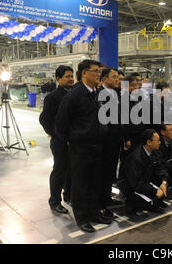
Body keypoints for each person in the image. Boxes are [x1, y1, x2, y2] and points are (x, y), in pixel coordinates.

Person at [55, 59, 110, 233]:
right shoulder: (74, 95)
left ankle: (94, 213)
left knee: (94, 181)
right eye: (95, 71)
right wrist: (70, 139)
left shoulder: (95, 93)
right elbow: (61, 123)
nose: (98, 75)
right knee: (80, 184)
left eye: (99, 71)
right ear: (84, 73)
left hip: (96, 145)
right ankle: (82, 218)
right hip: (80, 147)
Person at [39, 65, 74, 215]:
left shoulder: (74, 94)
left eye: (72, 76)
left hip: (72, 140)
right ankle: (54, 201)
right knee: (59, 171)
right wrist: (55, 134)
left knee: (70, 170)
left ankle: (68, 195)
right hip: (60, 141)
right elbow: (44, 119)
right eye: (67, 76)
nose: (71, 79)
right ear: (58, 79)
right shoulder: (53, 97)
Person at [118, 129, 169, 214]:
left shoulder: (154, 152)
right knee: (150, 204)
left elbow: (161, 169)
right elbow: (136, 183)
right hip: (131, 187)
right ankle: (131, 203)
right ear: (149, 142)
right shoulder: (135, 158)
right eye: (158, 141)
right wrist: (155, 191)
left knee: (162, 191)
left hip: (145, 181)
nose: (160, 143)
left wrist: (164, 182)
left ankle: (152, 201)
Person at [96, 67, 122, 220]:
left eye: (118, 77)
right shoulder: (99, 95)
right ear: (104, 79)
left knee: (111, 171)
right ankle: (100, 203)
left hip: (115, 139)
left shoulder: (117, 93)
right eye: (114, 77)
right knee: (102, 172)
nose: (117, 80)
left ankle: (107, 197)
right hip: (105, 140)